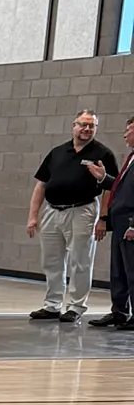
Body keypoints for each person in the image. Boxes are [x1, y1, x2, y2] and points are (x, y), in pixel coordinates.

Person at [27, 110, 115, 320]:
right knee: (51, 260)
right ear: (73, 126)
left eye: (91, 126)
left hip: (83, 210)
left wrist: (103, 218)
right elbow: (41, 184)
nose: (86, 129)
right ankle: (52, 304)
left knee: (80, 260)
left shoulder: (103, 153)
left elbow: (110, 188)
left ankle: (76, 306)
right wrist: (33, 215)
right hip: (52, 210)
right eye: (83, 124)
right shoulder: (57, 152)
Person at [92, 116, 134, 330]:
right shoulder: (131, 158)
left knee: (132, 270)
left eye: (129, 129)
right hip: (119, 222)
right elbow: (122, 188)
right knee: (118, 270)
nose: (125, 134)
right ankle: (119, 312)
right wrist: (104, 178)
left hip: (129, 223)